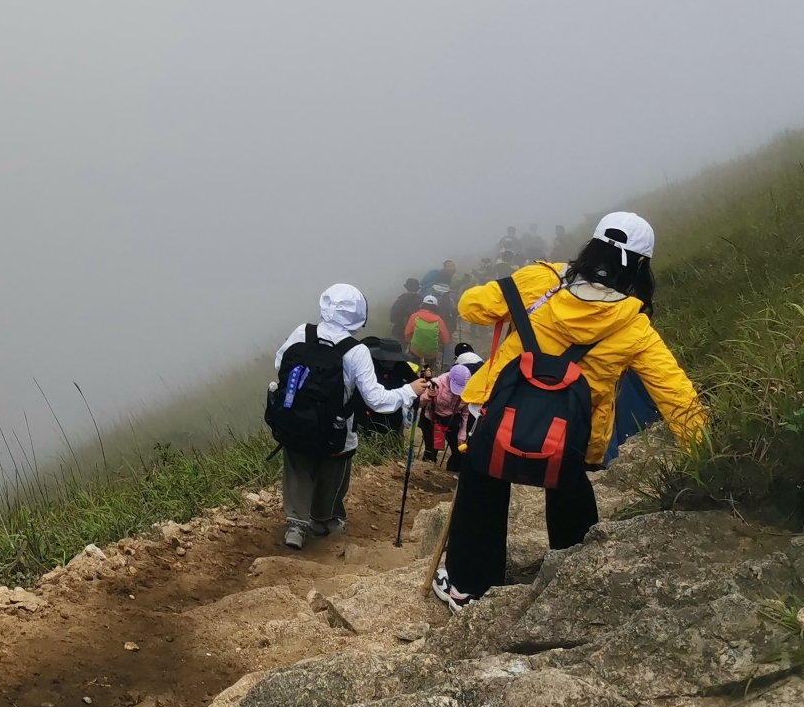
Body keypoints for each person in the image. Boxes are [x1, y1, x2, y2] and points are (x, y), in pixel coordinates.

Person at [436, 212, 706, 611]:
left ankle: (467, 586)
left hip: (501, 417)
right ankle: (573, 586)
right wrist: (707, 453)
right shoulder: (634, 325)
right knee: (569, 486)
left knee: (483, 478)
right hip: (568, 439)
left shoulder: (540, 280)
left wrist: (519, 290)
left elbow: (472, 307)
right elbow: (676, 395)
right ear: (642, 267)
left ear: (592, 247)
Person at [270, 284, 421, 550]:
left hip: (295, 421)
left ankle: (295, 526)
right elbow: (376, 399)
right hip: (336, 429)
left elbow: (280, 365)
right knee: (333, 472)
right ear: (359, 315)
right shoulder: (356, 350)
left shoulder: (302, 332)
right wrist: (410, 391)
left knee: (298, 468)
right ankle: (322, 520)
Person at [406, 294, 449, 373]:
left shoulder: (415, 316)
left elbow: (407, 333)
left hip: (415, 349)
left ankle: (413, 380)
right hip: (431, 352)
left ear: (423, 304)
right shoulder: (439, 320)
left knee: (413, 369)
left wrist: (410, 341)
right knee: (427, 371)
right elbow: (445, 340)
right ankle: (426, 381)